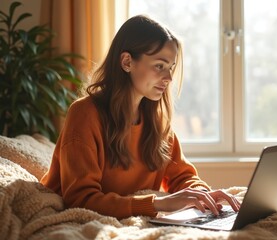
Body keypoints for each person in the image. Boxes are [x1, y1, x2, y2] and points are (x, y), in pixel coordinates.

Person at [40, 15, 240, 219]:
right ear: (127, 62)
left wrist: (203, 195)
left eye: (170, 68)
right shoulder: (84, 114)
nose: (169, 78)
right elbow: (80, 198)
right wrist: (158, 203)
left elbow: (183, 176)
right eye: (159, 66)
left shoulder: (156, 119)